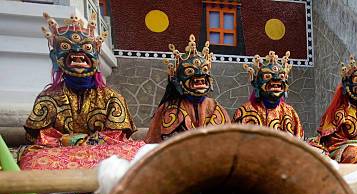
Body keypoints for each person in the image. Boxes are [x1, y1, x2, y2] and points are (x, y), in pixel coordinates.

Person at [18, 13, 142, 170]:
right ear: (56, 57)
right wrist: (75, 144)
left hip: (102, 154)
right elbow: (42, 138)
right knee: (32, 159)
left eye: (87, 48)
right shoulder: (47, 98)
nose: (77, 51)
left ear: (96, 56)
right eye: (66, 47)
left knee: (135, 152)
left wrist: (79, 142)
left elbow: (116, 137)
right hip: (59, 154)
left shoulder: (112, 98)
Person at [145, 35, 229, 143]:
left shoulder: (216, 107)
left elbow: (227, 140)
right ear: (178, 79)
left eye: (204, 70)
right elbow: (159, 142)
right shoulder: (169, 108)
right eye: (190, 72)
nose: (200, 77)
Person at [233, 51, 303, 138]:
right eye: (267, 77)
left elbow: (300, 145)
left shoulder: (290, 113)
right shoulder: (244, 112)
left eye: (281, 77)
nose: (276, 80)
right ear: (256, 83)